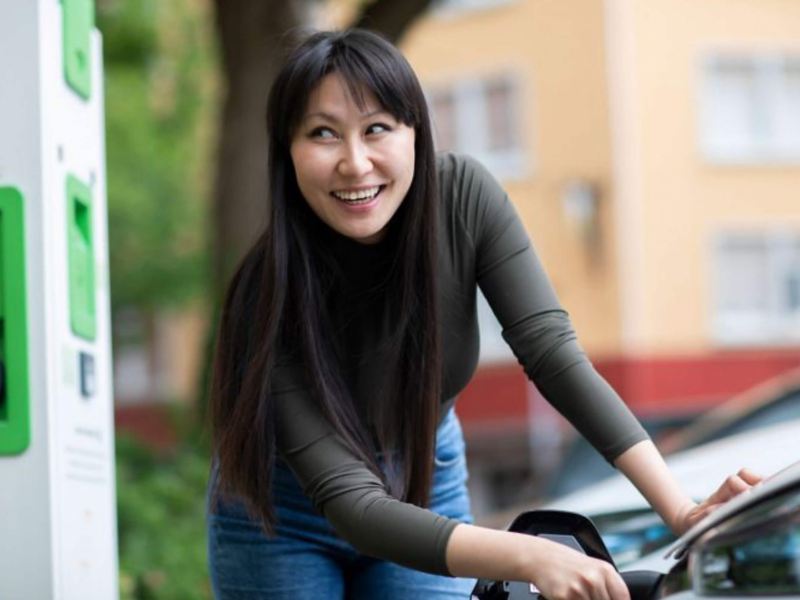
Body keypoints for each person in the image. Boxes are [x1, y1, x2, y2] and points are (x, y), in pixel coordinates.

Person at [206, 28, 760, 600]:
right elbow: (354, 507)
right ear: (287, 152)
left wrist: (682, 510)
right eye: (322, 134)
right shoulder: (264, 295)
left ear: (414, 132)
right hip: (281, 511)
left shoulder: (464, 200)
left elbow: (552, 355)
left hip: (422, 475)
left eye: (377, 129)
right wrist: (530, 556)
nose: (355, 162)